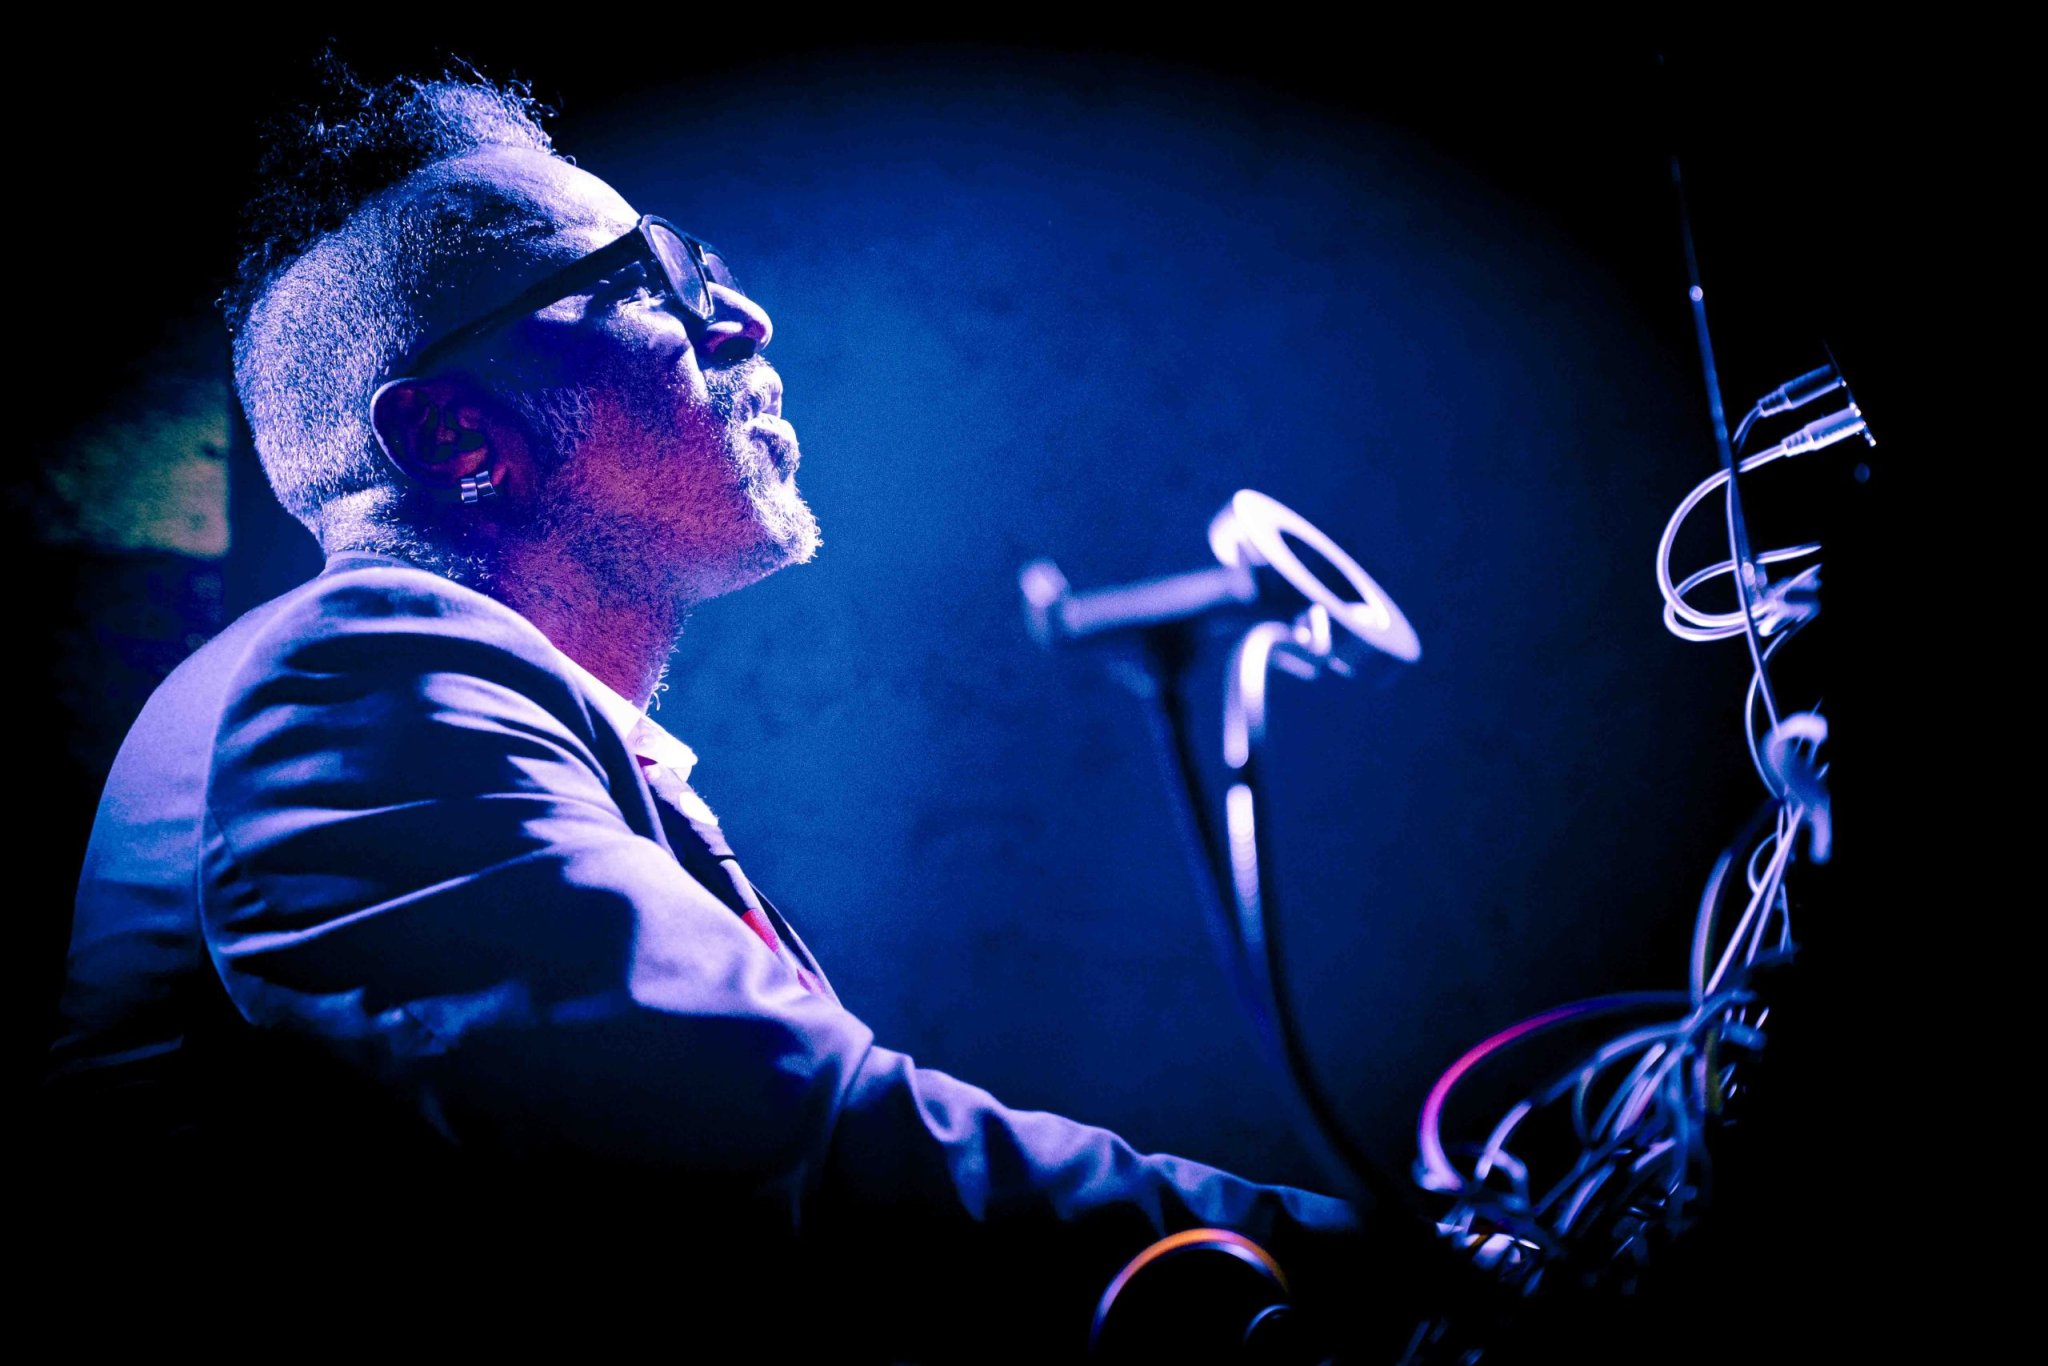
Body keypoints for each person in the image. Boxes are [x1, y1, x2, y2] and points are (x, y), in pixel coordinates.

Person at [39, 58, 1396, 1360]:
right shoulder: (356, 678)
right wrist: (1391, 1273)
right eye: (650, 279)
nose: (744, 321)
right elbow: (810, 1146)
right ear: (454, 437)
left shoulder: (490, 729)